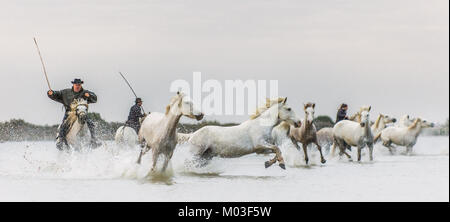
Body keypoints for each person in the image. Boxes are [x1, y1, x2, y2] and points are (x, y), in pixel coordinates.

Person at [47, 78, 100, 149]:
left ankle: (94, 140)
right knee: (64, 125)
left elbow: (95, 98)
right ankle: (60, 141)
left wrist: (89, 95)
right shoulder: (66, 92)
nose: (77, 86)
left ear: (81, 85)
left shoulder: (85, 93)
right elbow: (57, 94)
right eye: (76, 84)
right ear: (73, 85)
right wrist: (51, 93)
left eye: (79, 84)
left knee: (91, 123)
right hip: (69, 114)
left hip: (82, 113)